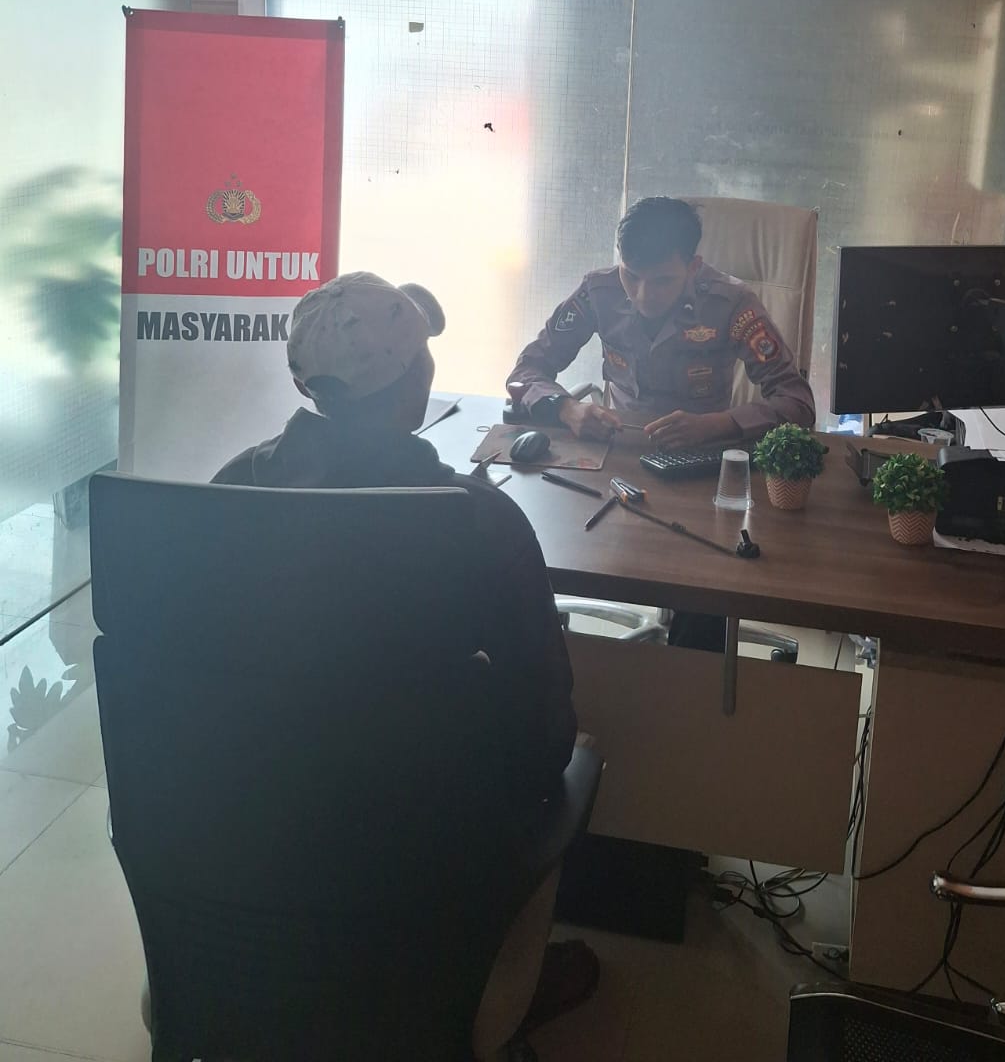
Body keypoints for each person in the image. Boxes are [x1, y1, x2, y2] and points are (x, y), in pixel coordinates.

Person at [214, 271, 596, 1056]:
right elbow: (548, 735)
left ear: (305, 382)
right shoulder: (477, 523)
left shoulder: (231, 489)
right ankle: (496, 978)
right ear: (418, 380)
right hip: (425, 883)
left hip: (252, 853)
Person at [507, 196, 816, 446]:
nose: (643, 295)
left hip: (701, 451)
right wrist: (566, 408)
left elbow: (798, 402)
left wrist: (718, 425)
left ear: (693, 267)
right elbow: (526, 371)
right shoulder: (598, 292)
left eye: (663, 281)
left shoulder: (732, 303)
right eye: (631, 276)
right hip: (618, 446)